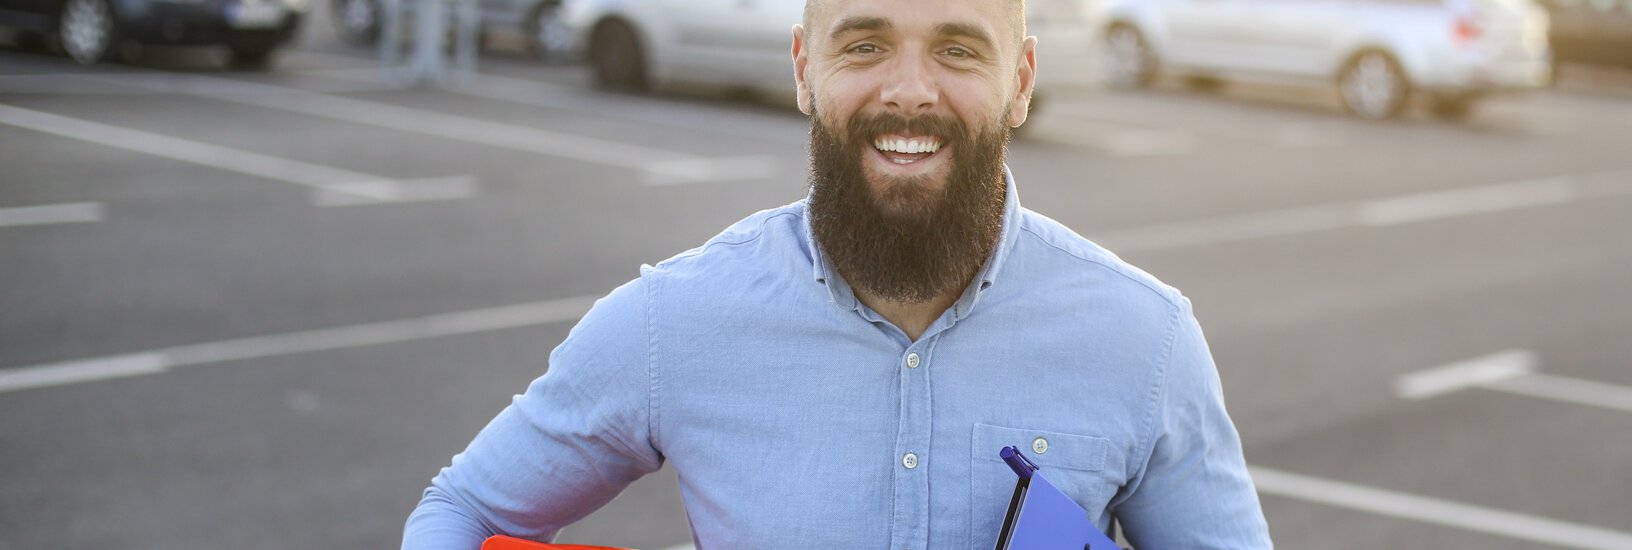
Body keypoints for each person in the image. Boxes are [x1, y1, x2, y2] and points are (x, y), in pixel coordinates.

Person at [401, 0, 1272, 547]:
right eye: (863, 45)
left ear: (1022, 80)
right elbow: (461, 513)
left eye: (959, 51)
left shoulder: (1145, 339)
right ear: (803, 71)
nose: (909, 91)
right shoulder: (676, 320)